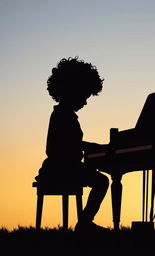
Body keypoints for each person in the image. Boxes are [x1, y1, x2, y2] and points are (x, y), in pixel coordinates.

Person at [35, 57, 109, 232]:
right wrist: (89, 146)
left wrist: (86, 146)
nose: (85, 102)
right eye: (84, 96)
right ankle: (84, 222)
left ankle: (84, 222)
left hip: (59, 167)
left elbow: (71, 143)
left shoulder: (62, 114)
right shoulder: (63, 115)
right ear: (72, 92)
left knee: (97, 179)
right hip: (62, 168)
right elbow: (62, 146)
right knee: (102, 181)